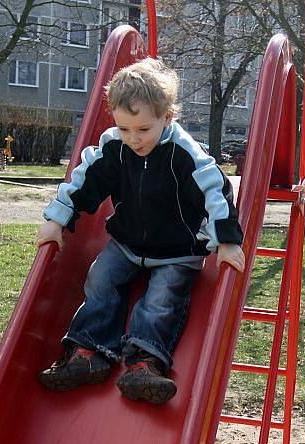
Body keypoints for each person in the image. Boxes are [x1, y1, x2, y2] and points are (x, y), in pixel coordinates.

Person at [35, 57, 245, 405]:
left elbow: (215, 190)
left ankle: (145, 363)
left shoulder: (185, 154)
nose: (134, 138)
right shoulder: (114, 145)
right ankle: (89, 353)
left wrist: (226, 241)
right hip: (127, 242)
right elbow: (84, 180)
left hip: (177, 250)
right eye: (124, 128)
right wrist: (57, 218)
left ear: (167, 117)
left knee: (161, 298)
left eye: (143, 129)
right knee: (99, 278)